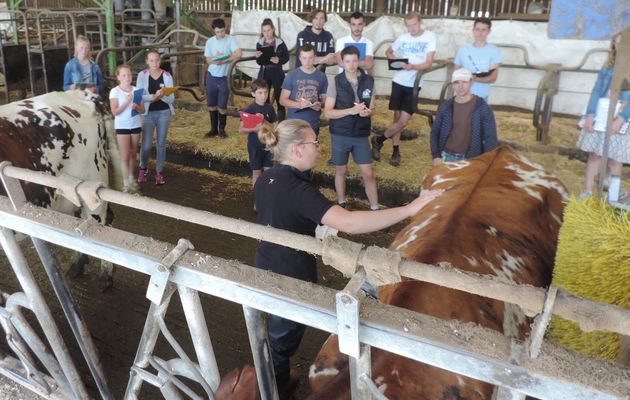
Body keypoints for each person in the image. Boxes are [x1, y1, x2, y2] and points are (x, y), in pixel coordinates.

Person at [254, 119, 443, 395]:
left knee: (276, 327)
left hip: (266, 261)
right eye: (314, 143)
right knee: (283, 335)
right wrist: (409, 208)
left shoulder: (267, 178)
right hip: (291, 272)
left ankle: (275, 374)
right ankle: (275, 385)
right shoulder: (296, 189)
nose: (319, 149)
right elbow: (351, 223)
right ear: (296, 150)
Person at [371, 13, 436, 166]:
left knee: (403, 122)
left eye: (414, 24)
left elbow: (428, 63)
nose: (412, 28)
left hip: (413, 85)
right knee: (397, 118)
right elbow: (388, 51)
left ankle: (378, 140)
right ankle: (395, 150)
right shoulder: (403, 38)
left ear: (420, 22)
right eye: (408, 25)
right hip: (398, 81)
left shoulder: (429, 37)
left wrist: (413, 66)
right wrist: (394, 59)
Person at [324, 46, 378, 210]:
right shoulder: (335, 81)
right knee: (341, 169)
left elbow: (374, 107)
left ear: (358, 60)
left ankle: (375, 207)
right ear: (342, 62)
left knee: (368, 172)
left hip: (361, 133)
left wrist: (368, 112)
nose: (351, 65)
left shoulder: (369, 81)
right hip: (341, 132)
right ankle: (341, 202)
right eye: (348, 61)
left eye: (354, 61)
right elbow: (328, 112)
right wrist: (351, 111)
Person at [577, 34, 630, 198]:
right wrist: (590, 114)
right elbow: (596, 90)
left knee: (614, 158)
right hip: (602, 114)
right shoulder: (607, 66)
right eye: (616, 40)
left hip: (620, 117)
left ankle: (613, 194)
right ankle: (587, 191)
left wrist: (621, 118)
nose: (618, 43)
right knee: (594, 154)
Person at [430, 68, 498, 166]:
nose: (460, 87)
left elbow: (490, 138)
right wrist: (436, 156)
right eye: (456, 82)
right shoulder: (446, 107)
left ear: (471, 83)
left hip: (471, 159)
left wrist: (487, 162)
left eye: (464, 82)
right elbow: (435, 132)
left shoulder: (482, 108)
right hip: (446, 157)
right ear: (452, 85)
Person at [136, 50, 175, 186]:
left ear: (160, 61)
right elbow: (139, 96)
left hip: (164, 113)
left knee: (161, 143)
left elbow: (171, 99)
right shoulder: (142, 75)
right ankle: (143, 168)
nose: (154, 63)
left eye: (157, 60)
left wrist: (162, 95)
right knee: (146, 145)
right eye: (151, 60)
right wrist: (154, 96)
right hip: (147, 114)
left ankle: (159, 172)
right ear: (147, 62)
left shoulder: (167, 75)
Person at [204, 18, 242, 138]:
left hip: (224, 77)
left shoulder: (230, 39)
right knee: (211, 104)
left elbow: (239, 53)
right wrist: (216, 60)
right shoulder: (210, 42)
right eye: (217, 32)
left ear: (225, 29)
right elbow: (207, 59)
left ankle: (222, 130)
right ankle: (213, 129)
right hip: (212, 75)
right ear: (213, 31)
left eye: (222, 31)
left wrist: (224, 60)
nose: (220, 34)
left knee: (222, 105)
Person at [109, 64, 144, 193]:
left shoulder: (137, 90)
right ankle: (125, 183)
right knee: (125, 155)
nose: (127, 77)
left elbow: (143, 110)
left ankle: (131, 178)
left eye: (129, 74)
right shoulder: (115, 91)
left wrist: (137, 107)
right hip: (122, 125)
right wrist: (127, 102)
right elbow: (115, 112)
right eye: (123, 75)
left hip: (135, 124)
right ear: (118, 77)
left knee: (133, 153)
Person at [279, 43, 327, 136]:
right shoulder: (292, 75)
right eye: (304, 58)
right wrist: (299, 105)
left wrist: (320, 104)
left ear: (315, 57)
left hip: (312, 122)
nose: (307, 61)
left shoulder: (321, 76)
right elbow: (282, 100)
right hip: (294, 122)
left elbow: (324, 98)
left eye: (310, 58)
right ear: (300, 58)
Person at [239, 79, 277, 190]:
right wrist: (255, 129)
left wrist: (264, 121)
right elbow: (241, 129)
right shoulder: (249, 109)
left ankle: (267, 196)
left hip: (269, 145)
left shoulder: (270, 108)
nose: (264, 95)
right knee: (256, 172)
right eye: (260, 93)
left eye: (265, 92)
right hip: (255, 146)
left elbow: (274, 128)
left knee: (269, 173)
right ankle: (258, 199)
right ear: (253, 94)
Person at [454, 17, 503, 103]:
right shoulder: (463, 50)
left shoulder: (494, 51)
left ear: (489, 31)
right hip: (462, 95)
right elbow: (455, 74)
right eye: (477, 29)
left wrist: (472, 78)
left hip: (481, 96)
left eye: (484, 30)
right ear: (473, 30)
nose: (480, 33)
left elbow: (493, 78)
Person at [255, 18, 290, 121]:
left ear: (273, 29)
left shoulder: (280, 42)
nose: (266, 33)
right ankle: (265, 119)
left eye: (269, 30)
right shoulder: (259, 43)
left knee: (280, 96)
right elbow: (259, 62)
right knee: (263, 95)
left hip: (276, 72)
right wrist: (258, 57)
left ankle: (281, 121)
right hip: (264, 71)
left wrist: (278, 60)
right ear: (262, 32)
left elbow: (286, 57)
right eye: (264, 31)